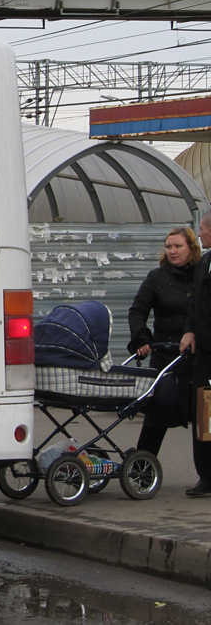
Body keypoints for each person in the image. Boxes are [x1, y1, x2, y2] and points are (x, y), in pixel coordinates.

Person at [127, 226, 201, 456]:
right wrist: (141, 337)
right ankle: (143, 468)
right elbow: (138, 310)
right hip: (165, 354)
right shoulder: (156, 277)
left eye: (178, 246)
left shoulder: (202, 276)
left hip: (197, 357)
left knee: (202, 417)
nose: (172, 251)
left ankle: (206, 475)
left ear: (191, 248)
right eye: (168, 246)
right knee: (156, 415)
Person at [180, 210, 211, 498]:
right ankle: (206, 475)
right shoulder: (204, 263)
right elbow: (195, 305)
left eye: (201, 229)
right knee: (203, 416)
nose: (199, 234)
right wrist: (189, 330)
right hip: (205, 358)